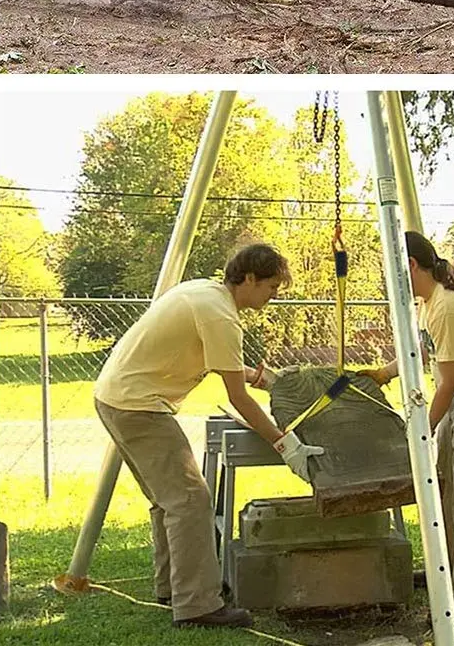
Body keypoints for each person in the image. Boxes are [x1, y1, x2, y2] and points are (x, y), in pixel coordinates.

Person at [93, 243, 323, 629]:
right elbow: (238, 398)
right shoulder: (220, 314)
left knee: (168, 501)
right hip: (138, 406)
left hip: (116, 398)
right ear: (249, 278)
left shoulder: (206, 292)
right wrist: (287, 445)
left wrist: (261, 376)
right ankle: (198, 606)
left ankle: (175, 587)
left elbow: (222, 364)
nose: (273, 296)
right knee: (190, 500)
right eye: (271, 286)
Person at [362, 231, 454, 619]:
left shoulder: (448, 306)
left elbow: (446, 381)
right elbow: (420, 352)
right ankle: (445, 574)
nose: (388, 281)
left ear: (411, 265)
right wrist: (383, 373)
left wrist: (422, 430)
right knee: (445, 489)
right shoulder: (428, 303)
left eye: (392, 272)